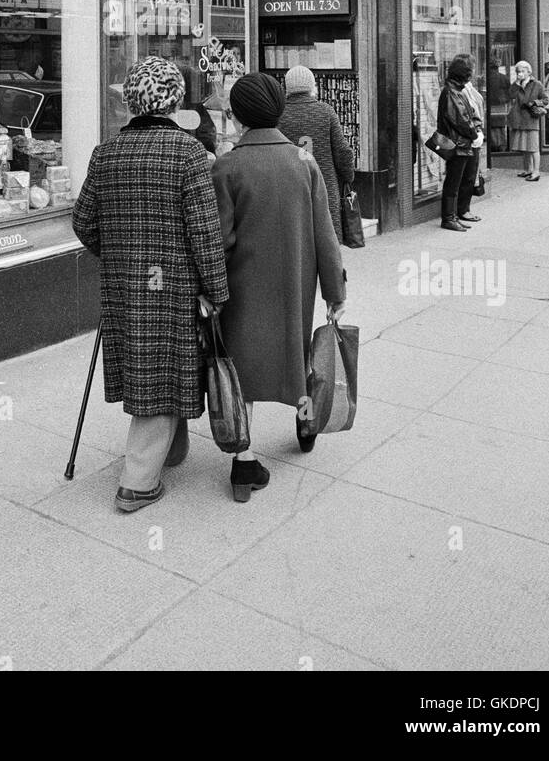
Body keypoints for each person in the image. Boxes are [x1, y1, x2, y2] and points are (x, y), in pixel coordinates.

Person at [72, 56, 230, 514]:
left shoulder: (106, 153)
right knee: (163, 366)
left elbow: (84, 222)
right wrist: (216, 291)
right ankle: (137, 482)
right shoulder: (187, 154)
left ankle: (173, 450)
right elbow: (205, 233)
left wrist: (120, 254)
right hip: (173, 282)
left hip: (125, 283)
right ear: (175, 101)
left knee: (153, 366)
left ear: (131, 102)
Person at [211, 72, 347, 497]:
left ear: (237, 118)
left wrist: (209, 293)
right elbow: (324, 234)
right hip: (295, 283)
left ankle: (243, 460)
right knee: (299, 352)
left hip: (242, 289)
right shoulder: (303, 165)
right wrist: (335, 293)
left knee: (242, 370)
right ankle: (305, 422)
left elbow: (219, 238)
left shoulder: (227, 166)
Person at [277, 65, 355, 243]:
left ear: (287, 88)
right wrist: (348, 177)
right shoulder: (326, 112)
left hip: (290, 190)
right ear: (312, 86)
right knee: (328, 244)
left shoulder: (279, 115)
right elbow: (343, 152)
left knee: (297, 244)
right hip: (325, 188)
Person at [436, 57, 484, 230]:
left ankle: (453, 216)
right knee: (453, 182)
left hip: (459, 142)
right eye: (469, 73)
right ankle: (449, 218)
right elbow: (461, 120)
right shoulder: (452, 92)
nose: (471, 76)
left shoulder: (454, 90)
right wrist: (474, 134)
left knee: (456, 181)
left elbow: (464, 116)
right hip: (458, 143)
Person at [455, 53, 485, 217]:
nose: (474, 71)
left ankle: (463, 208)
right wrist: (475, 133)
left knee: (470, 174)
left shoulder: (469, 87)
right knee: (466, 176)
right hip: (467, 137)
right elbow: (466, 114)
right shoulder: (460, 90)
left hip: (474, 135)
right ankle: (462, 210)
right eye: (471, 68)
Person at [508, 60, 548, 181]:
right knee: (524, 148)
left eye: (522, 71)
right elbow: (510, 95)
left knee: (533, 148)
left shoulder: (537, 84)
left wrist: (534, 103)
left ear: (528, 71)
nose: (520, 73)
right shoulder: (517, 84)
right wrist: (516, 83)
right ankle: (528, 170)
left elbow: (545, 100)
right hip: (519, 119)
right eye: (518, 71)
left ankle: (536, 172)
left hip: (531, 119)